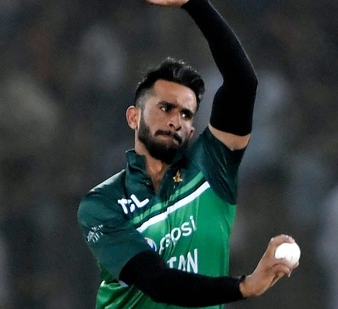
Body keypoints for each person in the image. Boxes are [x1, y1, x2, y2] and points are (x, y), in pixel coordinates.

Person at [77, 0, 298, 308]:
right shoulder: (102, 204)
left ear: (192, 130)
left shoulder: (210, 168)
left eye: (185, 114)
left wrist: (196, 5)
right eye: (165, 108)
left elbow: (243, 83)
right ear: (133, 117)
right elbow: (159, 283)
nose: (174, 120)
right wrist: (244, 287)